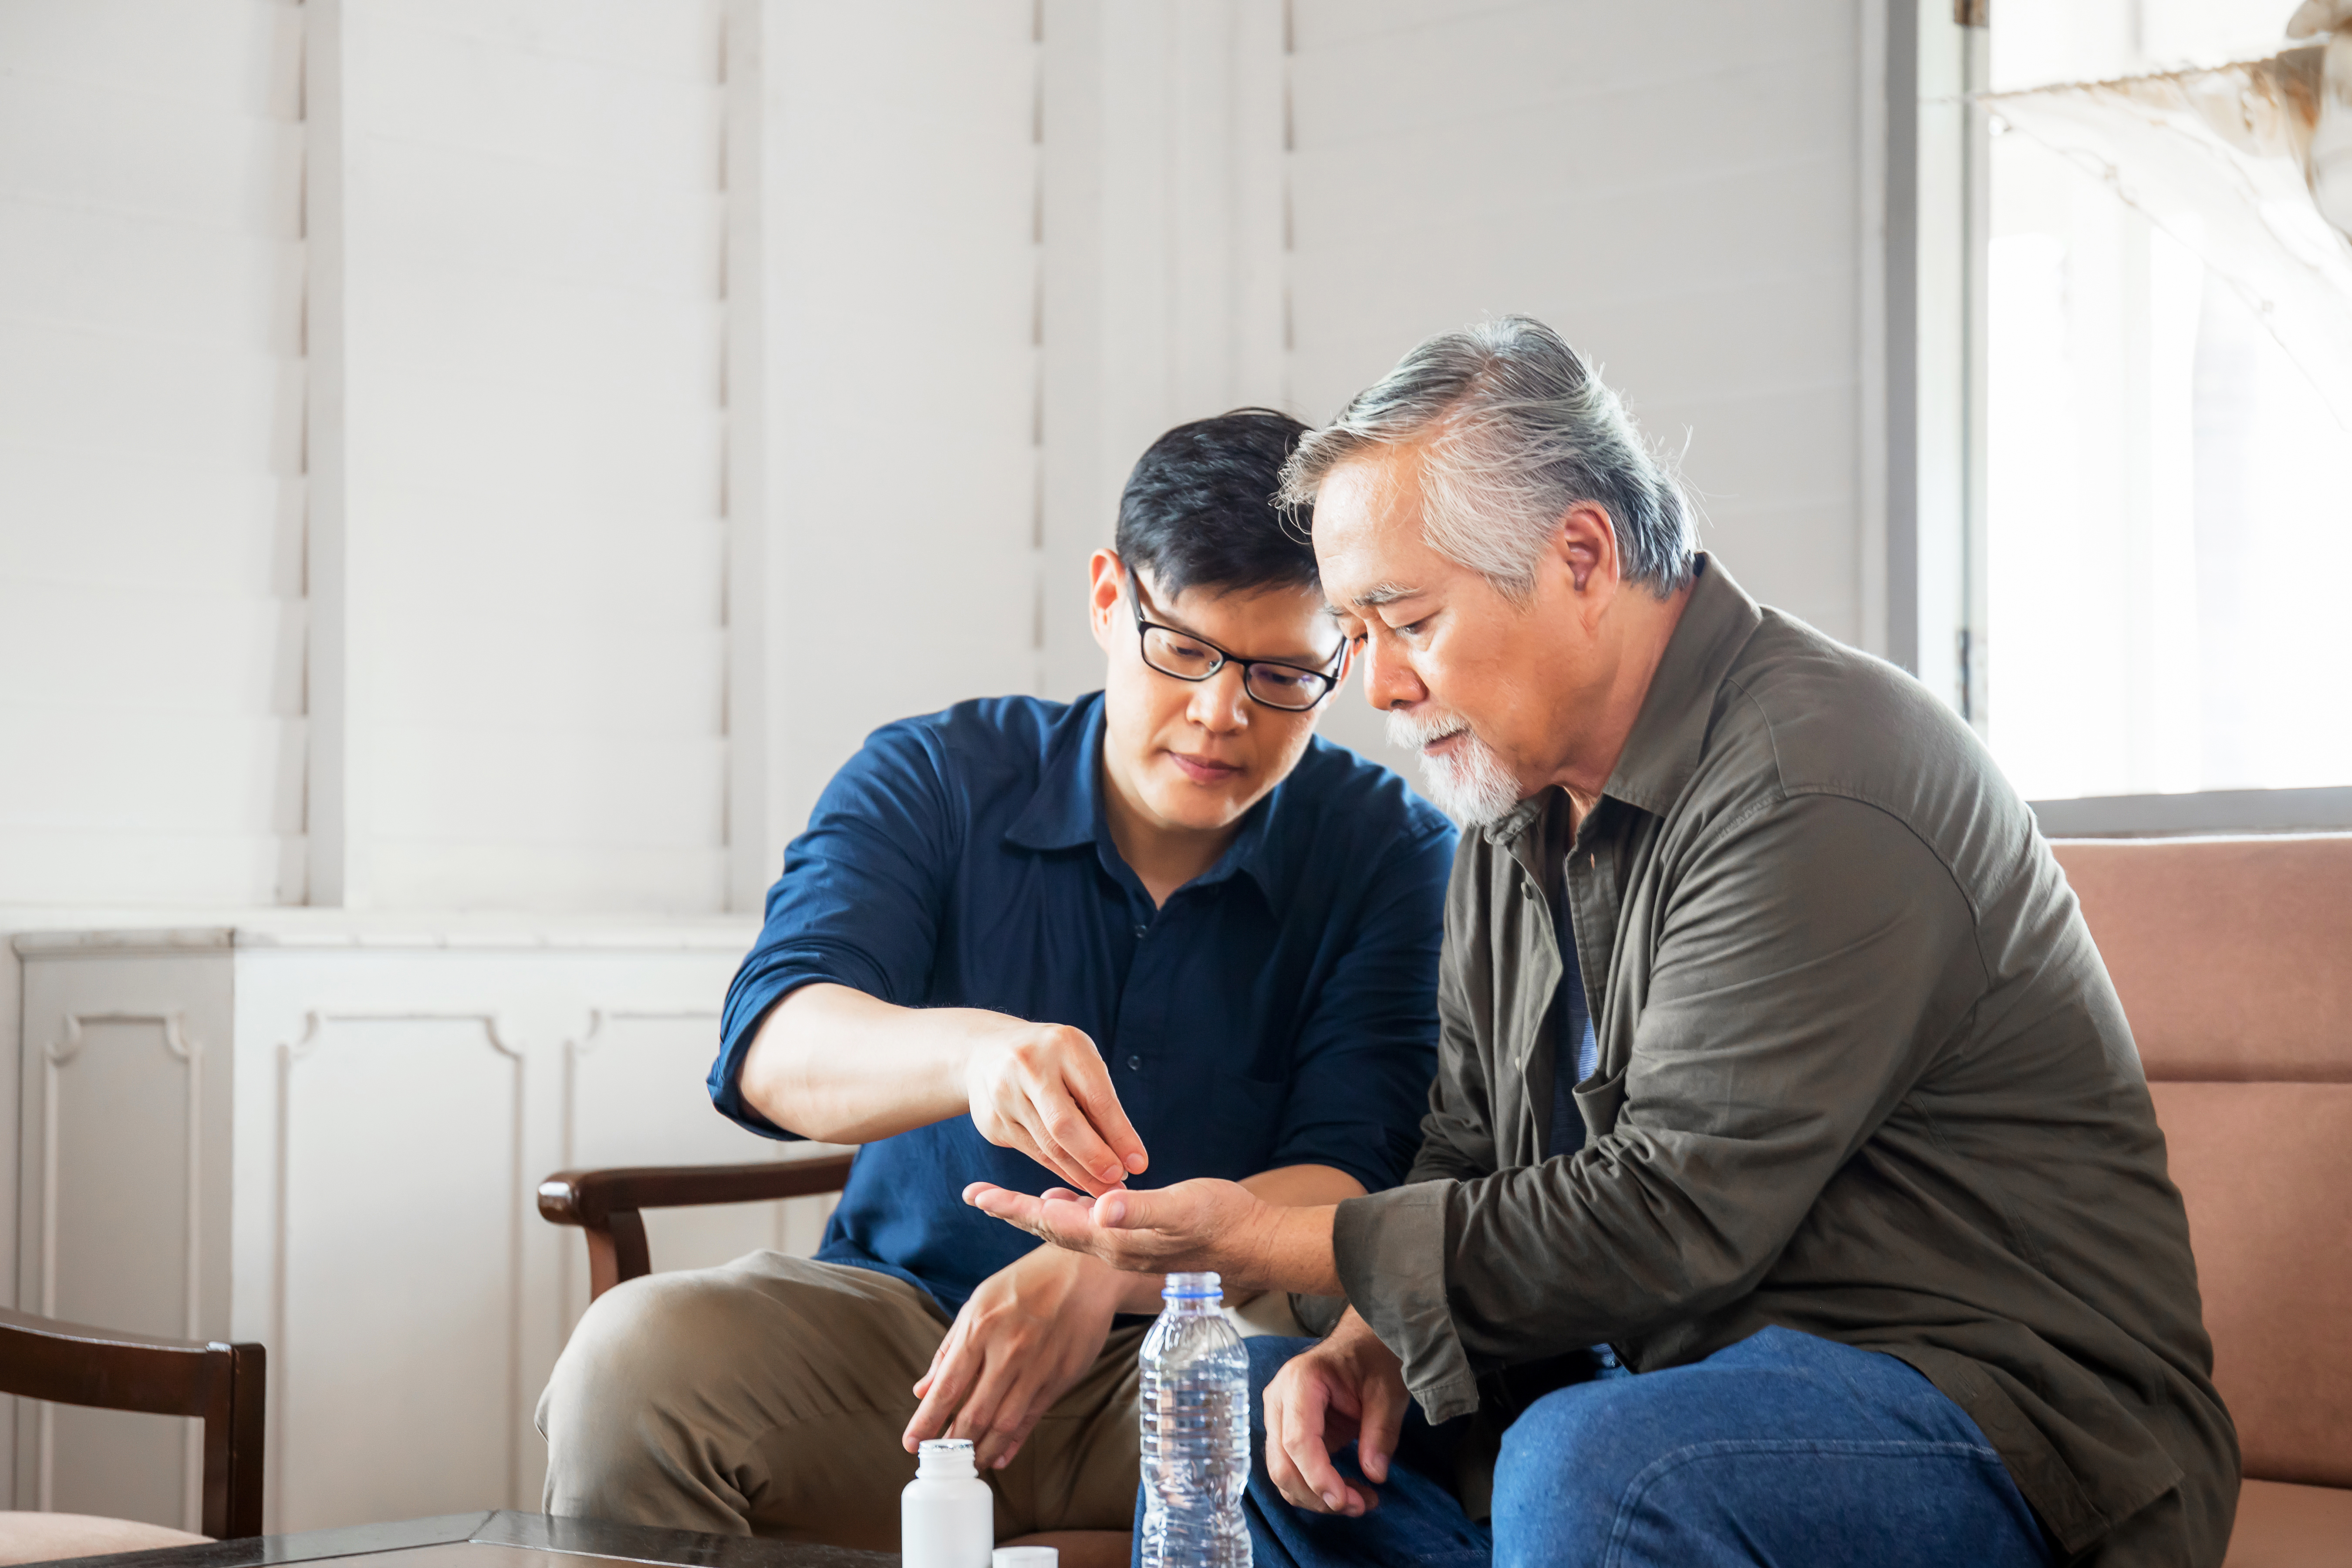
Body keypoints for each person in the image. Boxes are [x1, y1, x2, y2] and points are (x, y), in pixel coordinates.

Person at [966, 320, 2238, 1568]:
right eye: (1353, 636)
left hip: (1991, 1420)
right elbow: (1464, 1143)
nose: (1380, 688)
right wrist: (1368, 1340)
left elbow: (1668, 1211)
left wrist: (1253, 1236)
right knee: (1253, 1415)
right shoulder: (1505, 805)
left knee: (1600, 1466)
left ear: (1580, 555)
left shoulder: (1818, 775)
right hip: (1653, 1388)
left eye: (1404, 620)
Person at [535, 409, 1456, 1565]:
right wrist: (973, 1055)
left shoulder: (1392, 854)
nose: (1224, 712)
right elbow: (774, 1042)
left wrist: (1103, 1263)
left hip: (1210, 1357)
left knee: (1349, 1422)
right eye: (1185, 649)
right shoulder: (935, 775)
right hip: (904, 1349)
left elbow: (1350, 1173)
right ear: (1108, 598)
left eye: (1282, 674)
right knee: (636, 1361)